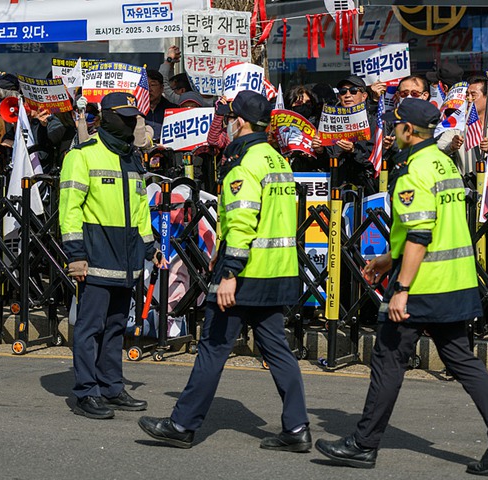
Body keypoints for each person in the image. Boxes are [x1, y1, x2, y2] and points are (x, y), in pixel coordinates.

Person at [314, 98, 488, 476]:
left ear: (408, 131)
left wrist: (401, 287)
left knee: (388, 358)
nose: (392, 132)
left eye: (396, 126)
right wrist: (386, 260)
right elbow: (436, 228)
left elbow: (421, 233)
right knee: (461, 359)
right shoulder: (443, 162)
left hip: (424, 283)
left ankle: (364, 443)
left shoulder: (414, 168)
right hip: (456, 281)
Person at [138, 90, 310, 451]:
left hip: (245, 274)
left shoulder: (245, 163)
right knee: (277, 349)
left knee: (213, 347)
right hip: (277, 272)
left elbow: (244, 219)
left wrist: (228, 270)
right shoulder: (277, 160)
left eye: (230, 117)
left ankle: (182, 424)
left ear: (241, 122)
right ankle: (296, 429)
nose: (228, 123)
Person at [59, 92, 161, 420]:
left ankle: (112, 386)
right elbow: (69, 210)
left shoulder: (133, 157)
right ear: (106, 117)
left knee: (117, 325)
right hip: (95, 256)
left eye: (135, 117)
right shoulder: (82, 155)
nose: (132, 123)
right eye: (126, 117)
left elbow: (141, 210)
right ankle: (86, 392)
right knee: (90, 328)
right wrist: (75, 255)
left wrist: (151, 248)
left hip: (128, 259)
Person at [437, 75, 488, 175]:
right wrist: (451, 146)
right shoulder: (457, 124)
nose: (469, 99)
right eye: (467, 95)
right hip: (466, 186)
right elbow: (439, 147)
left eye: (473, 95)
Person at [143, 69, 178, 142]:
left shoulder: (173, 109)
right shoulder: (136, 109)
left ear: (162, 88)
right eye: (145, 85)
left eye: (153, 85)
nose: (149, 89)